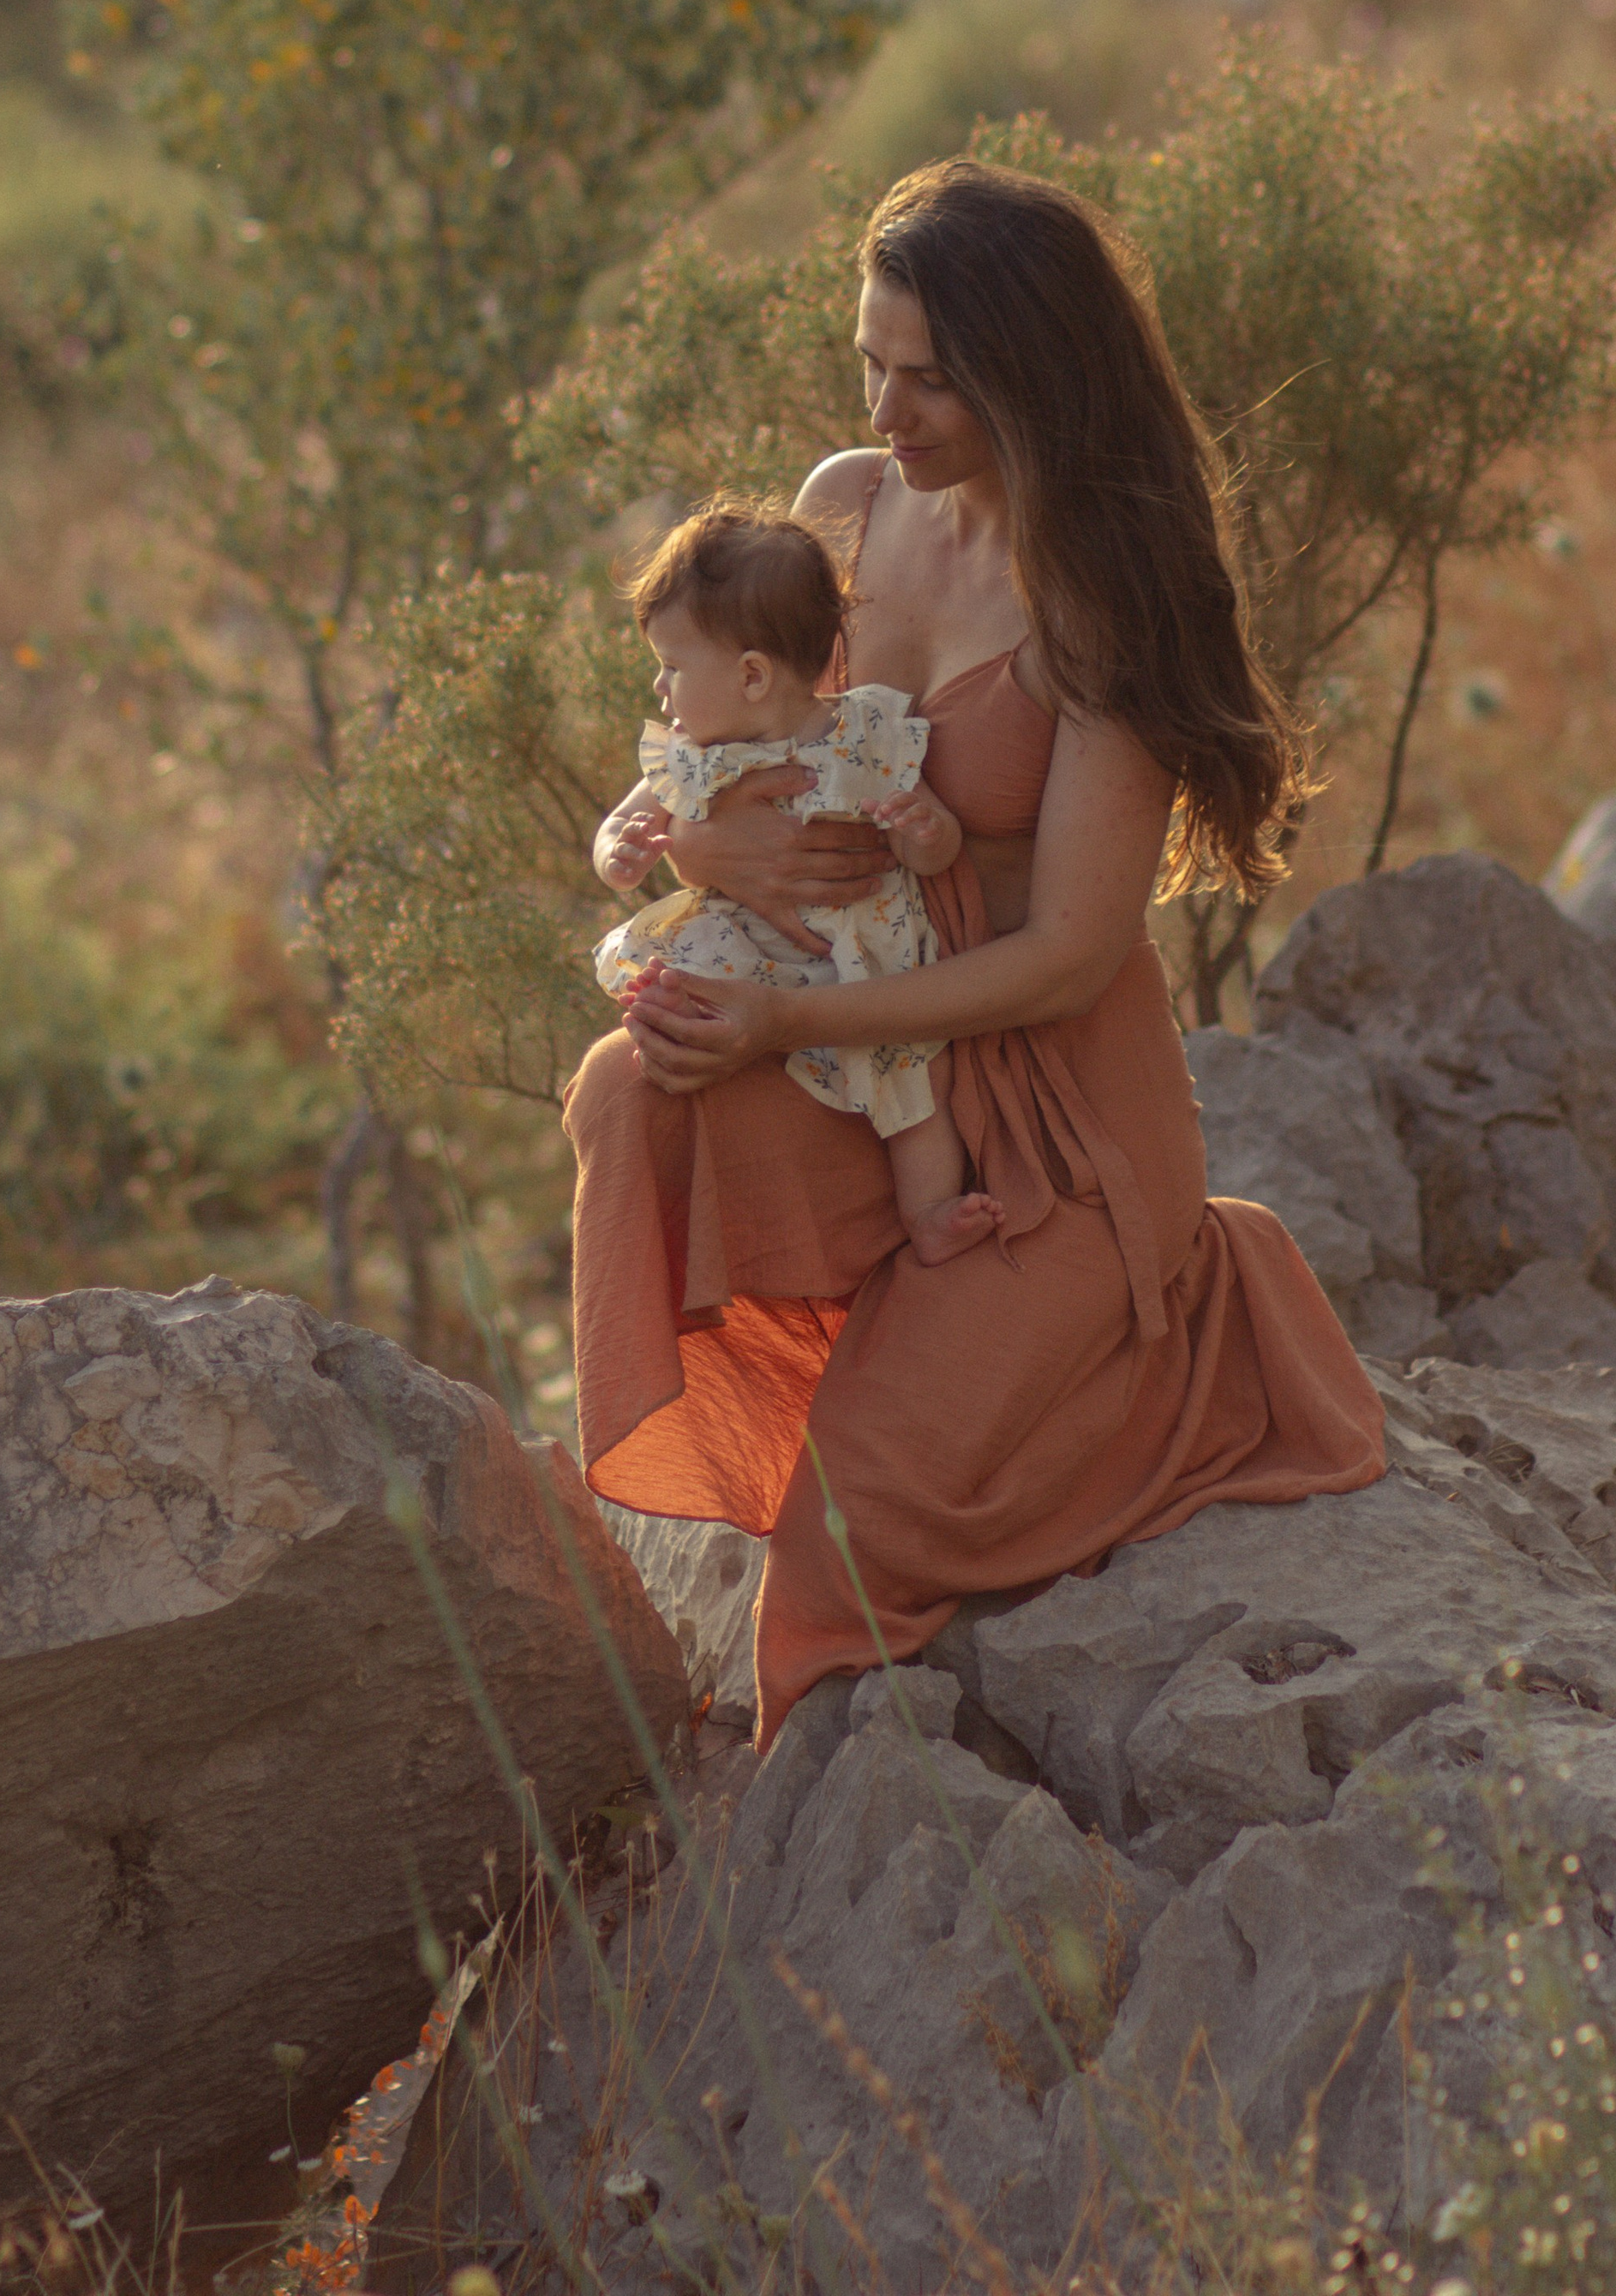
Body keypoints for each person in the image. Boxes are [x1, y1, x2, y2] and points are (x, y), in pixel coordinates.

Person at [564, 158, 1386, 1746]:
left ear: (1034, 371)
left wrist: (786, 1016)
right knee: (630, 1086)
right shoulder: (847, 508)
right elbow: (740, 732)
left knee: (853, 1542)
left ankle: (1179, 1336)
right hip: (862, 1051)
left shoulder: (1104, 597)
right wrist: (701, 852)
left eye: (932, 376)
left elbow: (1073, 959)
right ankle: (875, 1361)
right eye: (872, 359)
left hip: (1051, 1116)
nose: (888, 405)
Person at [590, 502, 1006, 1267]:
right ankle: (689, 1034)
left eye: (672, 667)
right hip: (748, 952)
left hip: (862, 968)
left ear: (752, 675)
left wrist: (923, 830)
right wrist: (624, 849)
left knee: (915, 1080)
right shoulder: (690, 752)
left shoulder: (865, 734)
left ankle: (930, 1211)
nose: (659, 687)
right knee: (679, 977)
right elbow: (621, 823)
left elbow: (934, 845)